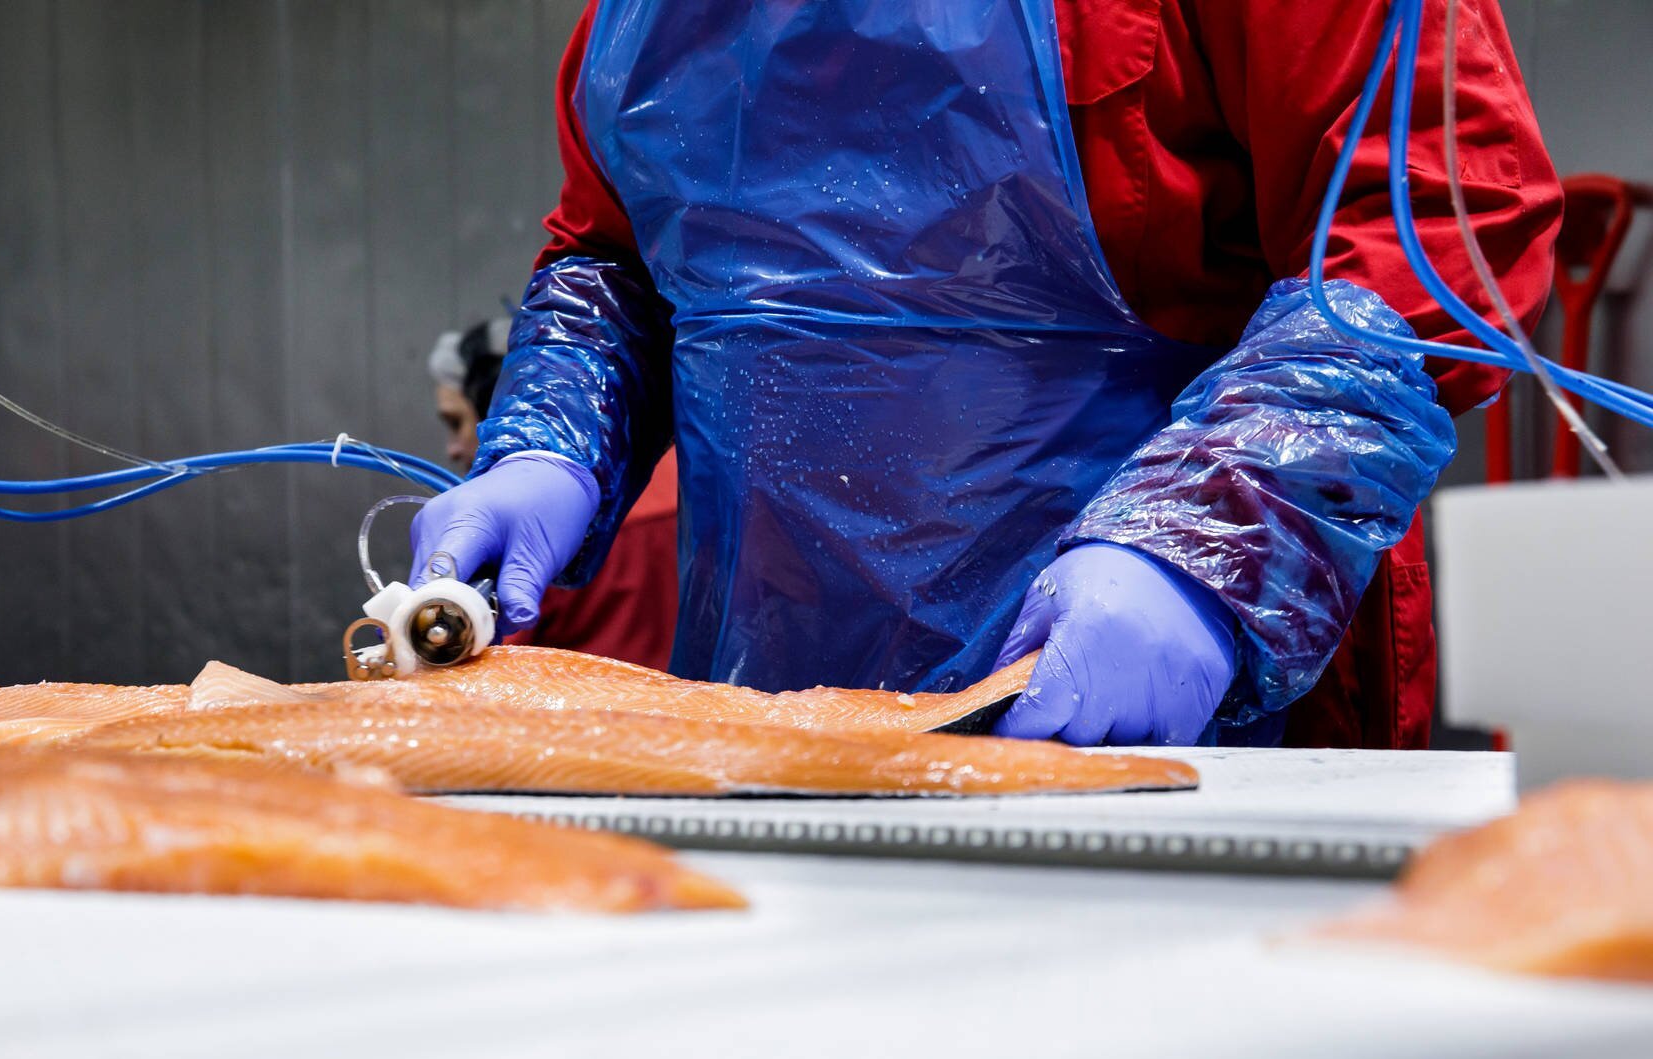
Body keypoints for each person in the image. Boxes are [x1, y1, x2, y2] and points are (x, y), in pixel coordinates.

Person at [412, 0, 1562, 747]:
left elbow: (1442, 220)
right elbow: (616, 255)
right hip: (768, 713)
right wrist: (551, 441)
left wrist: (1209, 542)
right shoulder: (641, 22)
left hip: (1153, 693)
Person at [428, 318, 679, 669]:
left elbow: (477, 666)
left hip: (573, 718)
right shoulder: (683, 483)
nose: (453, 448)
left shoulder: (538, 525)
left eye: (457, 422)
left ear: (502, 413)